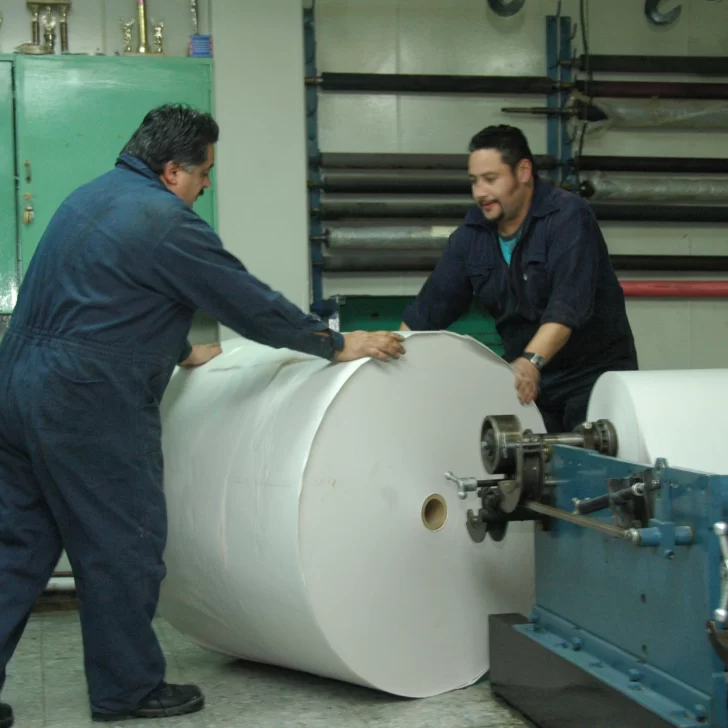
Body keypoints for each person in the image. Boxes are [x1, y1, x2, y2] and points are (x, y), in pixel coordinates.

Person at [0, 103, 405, 727]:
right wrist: (333, 343)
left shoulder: (88, 198)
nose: (205, 186)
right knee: (121, 544)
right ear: (172, 171)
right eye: (203, 173)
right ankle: (128, 688)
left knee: (17, 549)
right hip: (86, 402)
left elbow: (92, 302)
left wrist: (179, 349)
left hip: (17, 388)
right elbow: (247, 302)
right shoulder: (166, 222)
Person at [400, 124, 637, 433]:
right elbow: (427, 311)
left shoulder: (567, 218)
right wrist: (390, 353)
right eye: (474, 181)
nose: (479, 193)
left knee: (591, 459)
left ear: (523, 171)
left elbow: (567, 307)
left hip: (593, 378)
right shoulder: (471, 236)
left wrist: (530, 362)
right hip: (528, 383)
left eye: (490, 179)